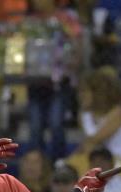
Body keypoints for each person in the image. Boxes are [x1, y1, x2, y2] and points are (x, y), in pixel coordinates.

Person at [21, 0, 81, 160]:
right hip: (35, 82)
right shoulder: (29, 22)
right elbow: (19, 45)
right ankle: (36, 166)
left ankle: (58, 164)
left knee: (56, 124)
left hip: (59, 82)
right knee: (35, 126)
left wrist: (73, 59)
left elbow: (76, 43)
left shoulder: (66, 19)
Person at [77, 68, 121, 164]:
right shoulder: (84, 116)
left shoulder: (119, 112)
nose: (81, 95)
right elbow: (87, 144)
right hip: (107, 163)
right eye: (80, 91)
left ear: (98, 93)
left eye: (85, 91)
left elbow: (95, 140)